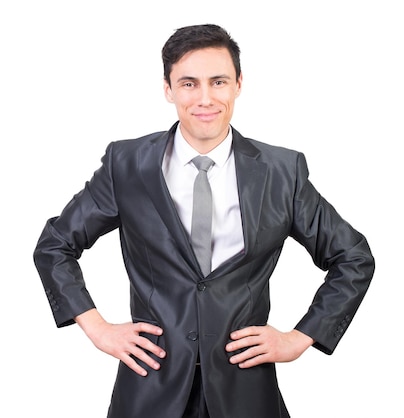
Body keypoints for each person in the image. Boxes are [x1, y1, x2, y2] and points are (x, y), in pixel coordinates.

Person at [33, 23, 374, 418]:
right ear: (168, 89)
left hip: (246, 392)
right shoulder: (126, 165)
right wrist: (97, 327)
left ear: (238, 84)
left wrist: (301, 337)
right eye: (189, 83)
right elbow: (55, 244)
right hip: (149, 389)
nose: (205, 98)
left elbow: (353, 256)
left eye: (218, 81)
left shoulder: (282, 171)